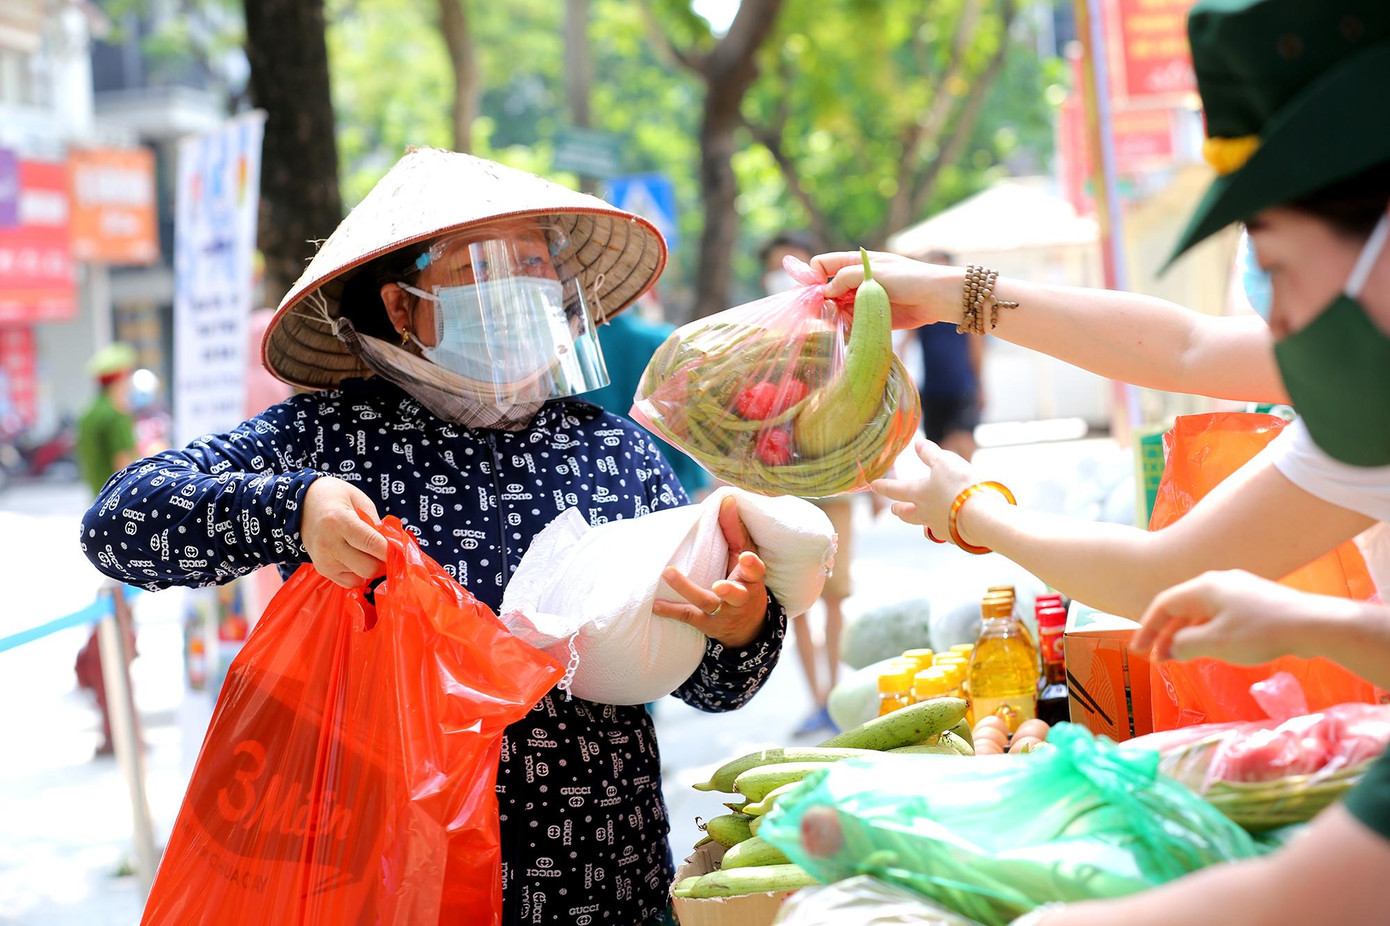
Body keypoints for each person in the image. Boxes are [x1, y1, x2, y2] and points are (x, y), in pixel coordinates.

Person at [79, 148, 787, 926]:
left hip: (607, 882)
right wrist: (295, 508)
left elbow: (717, 689)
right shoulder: (329, 441)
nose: (519, 290)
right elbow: (120, 523)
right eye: (484, 267)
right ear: (405, 307)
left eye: (535, 265)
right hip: (391, 884)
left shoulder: (617, 452)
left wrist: (740, 627)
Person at [815, 1, 1390, 921]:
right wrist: (954, 294)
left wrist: (969, 507)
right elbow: (1190, 349)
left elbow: (1319, 892)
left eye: (1274, 267)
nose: (1271, 320)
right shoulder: (1362, 376)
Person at [761, 231, 851, 735]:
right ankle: (818, 697)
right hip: (785, 489)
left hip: (835, 485)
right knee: (798, 604)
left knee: (836, 596)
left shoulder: (835, 328)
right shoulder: (761, 338)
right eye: (775, 267)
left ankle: (835, 695)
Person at [74, 342, 141, 758]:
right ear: (119, 378)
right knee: (120, 634)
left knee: (114, 628)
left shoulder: (87, 416)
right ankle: (119, 728)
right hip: (126, 529)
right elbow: (127, 469)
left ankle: (115, 725)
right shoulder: (115, 417)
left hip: (97, 524)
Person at [915, 249, 983, 460]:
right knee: (938, 452)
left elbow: (977, 348)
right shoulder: (919, 308)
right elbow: (901, 343)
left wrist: (980, 384)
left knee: (964, 445)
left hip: (961, 386)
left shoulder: (965, 308)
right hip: (933, 389)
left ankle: (966, 490)